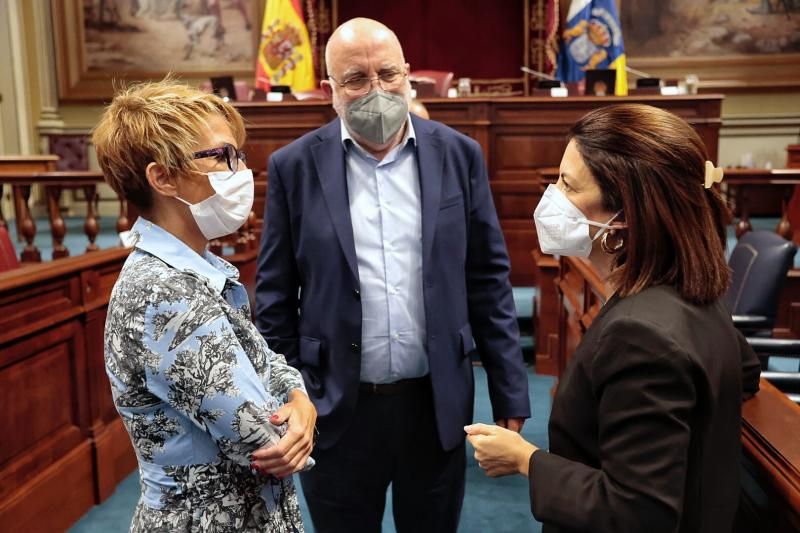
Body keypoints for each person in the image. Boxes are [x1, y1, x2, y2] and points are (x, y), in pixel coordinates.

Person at [255, 17, 531, 533]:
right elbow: (273, 296)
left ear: (408, 76)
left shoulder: (458, 154)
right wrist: (287, 394)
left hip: (434, 403)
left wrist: (510, 391)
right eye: (356, 79)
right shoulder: (294, 166)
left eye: (387, 74)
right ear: (330, 90)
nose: (376, 90)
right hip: (334, 408)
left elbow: (488, 281)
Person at [465, 103, 762, 533]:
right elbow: (744, 372)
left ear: (624, 217)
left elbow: (639, 512)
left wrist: (525, 460)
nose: (551, 198)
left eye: (568, 185)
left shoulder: (641, 334)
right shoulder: (693, 289)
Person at [94, 79, 316, 532]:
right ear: (162, 177)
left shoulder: (199, 269)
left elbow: (269, 365)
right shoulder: (163, 293)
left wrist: (300, 397)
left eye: (238, 155)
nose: (239, 171)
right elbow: (267, 438)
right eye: (221, 157)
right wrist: (297, 407)